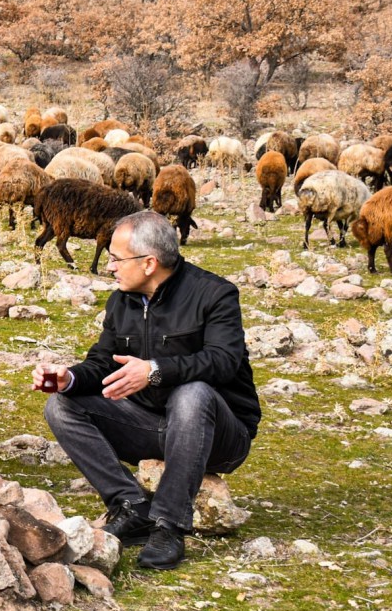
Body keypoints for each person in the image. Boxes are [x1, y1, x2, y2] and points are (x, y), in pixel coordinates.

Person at [34, 210, 259, 570]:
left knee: (193, 393)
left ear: (149, 263)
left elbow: (223, 361)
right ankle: (132, 506)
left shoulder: (215, 295)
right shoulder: (121, 301)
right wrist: (69, 378)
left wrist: (154, 372)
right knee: (62, 405)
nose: (110, 267)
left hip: (218, 435)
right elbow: (103, 363)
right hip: (151, 426)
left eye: (115, 258)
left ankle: (169, 525)